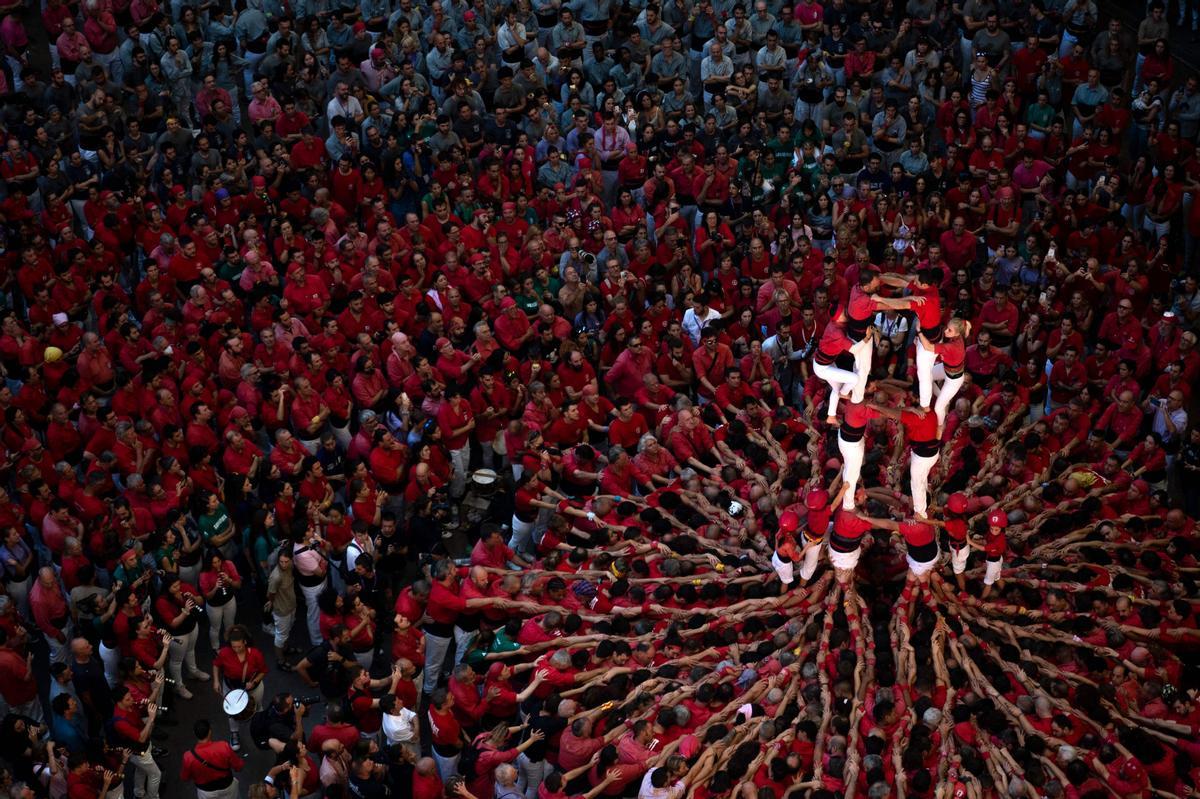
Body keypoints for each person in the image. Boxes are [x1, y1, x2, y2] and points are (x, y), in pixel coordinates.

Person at [181, 719, 245, 799]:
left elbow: (185, 777)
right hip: (227, 787)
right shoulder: (223, 747)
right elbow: (238, 766)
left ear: (194, 733)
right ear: (210, 731)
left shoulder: (188, 757)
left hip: (206, 792)